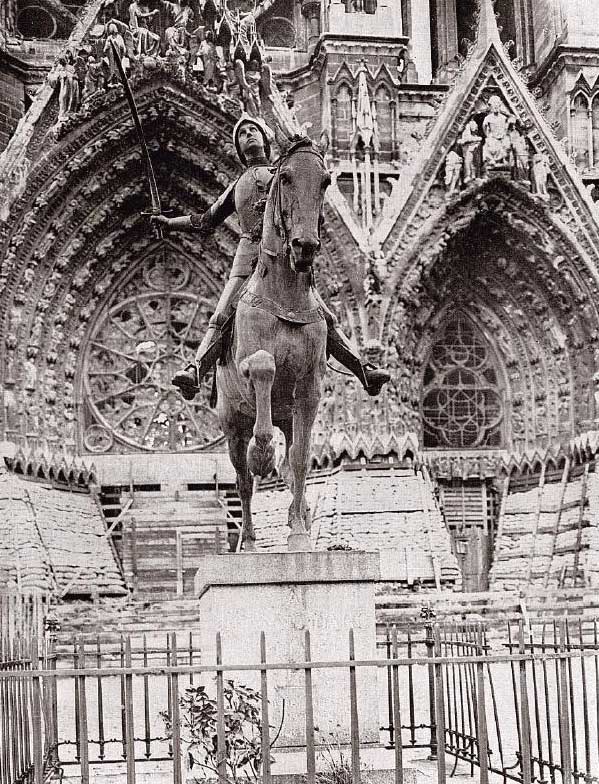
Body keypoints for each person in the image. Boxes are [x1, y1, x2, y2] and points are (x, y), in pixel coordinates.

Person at [151, 116, 390, 400]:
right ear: (238, 148)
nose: (248, 136)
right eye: (242, 135)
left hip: (282, 255)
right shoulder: (237, 185)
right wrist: (168, 223)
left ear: (266, 139)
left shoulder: (283, 172)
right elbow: (205, 220)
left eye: (253, 130)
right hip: (246, 257)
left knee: (325, 316)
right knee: (222, 313)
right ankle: (195, 370)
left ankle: (363, 370)